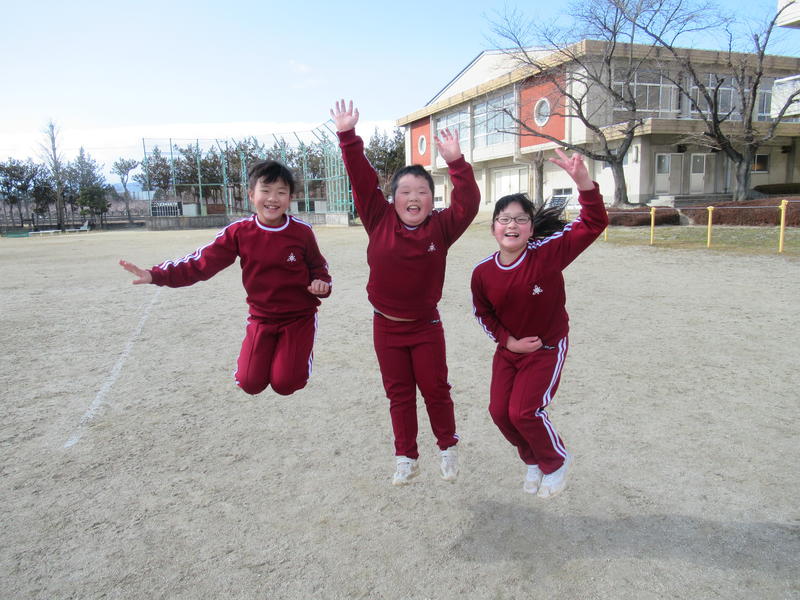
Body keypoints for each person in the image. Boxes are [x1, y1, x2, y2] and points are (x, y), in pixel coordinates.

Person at [330, 100, 480, 486]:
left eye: (422, 192)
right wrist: (347, 136)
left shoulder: (441, 227)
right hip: (386, 327)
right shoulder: (378, 218)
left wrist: (457, 163)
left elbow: (468, 204)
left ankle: (447, 448)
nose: (414, 197)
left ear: (432, 199)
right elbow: (362, 180)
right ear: (393, 198)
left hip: (425, 326)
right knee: (398, 394)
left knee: (435, 389)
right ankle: (405, 457)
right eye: (406, 191)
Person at [119, 159, 332, 397]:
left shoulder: (301, 232)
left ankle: (295, 359)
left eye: (281, 192)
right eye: (265, 190)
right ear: (251, 195)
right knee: (249, 383)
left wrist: (322, 283)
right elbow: (200, 263)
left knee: (285, 384)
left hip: (298, 318)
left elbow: (319, 267)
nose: (273, 198)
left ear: (290, 198)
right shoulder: (239, 232)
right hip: (262, 317)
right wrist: (155, 275)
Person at [470, 148, 608, 499]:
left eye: (520, 219)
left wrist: (584, 183)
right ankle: (532, 459)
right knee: (500, 413)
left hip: (546, 348)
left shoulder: (547, 254)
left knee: (524, 411)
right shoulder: (482, 272)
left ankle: (556, 461)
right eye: (504, 219)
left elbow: (593, 224)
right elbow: (483, 314)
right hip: (509, 351)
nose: (511, 225)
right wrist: (508, 341)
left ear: (531, 228)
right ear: (493, 228)